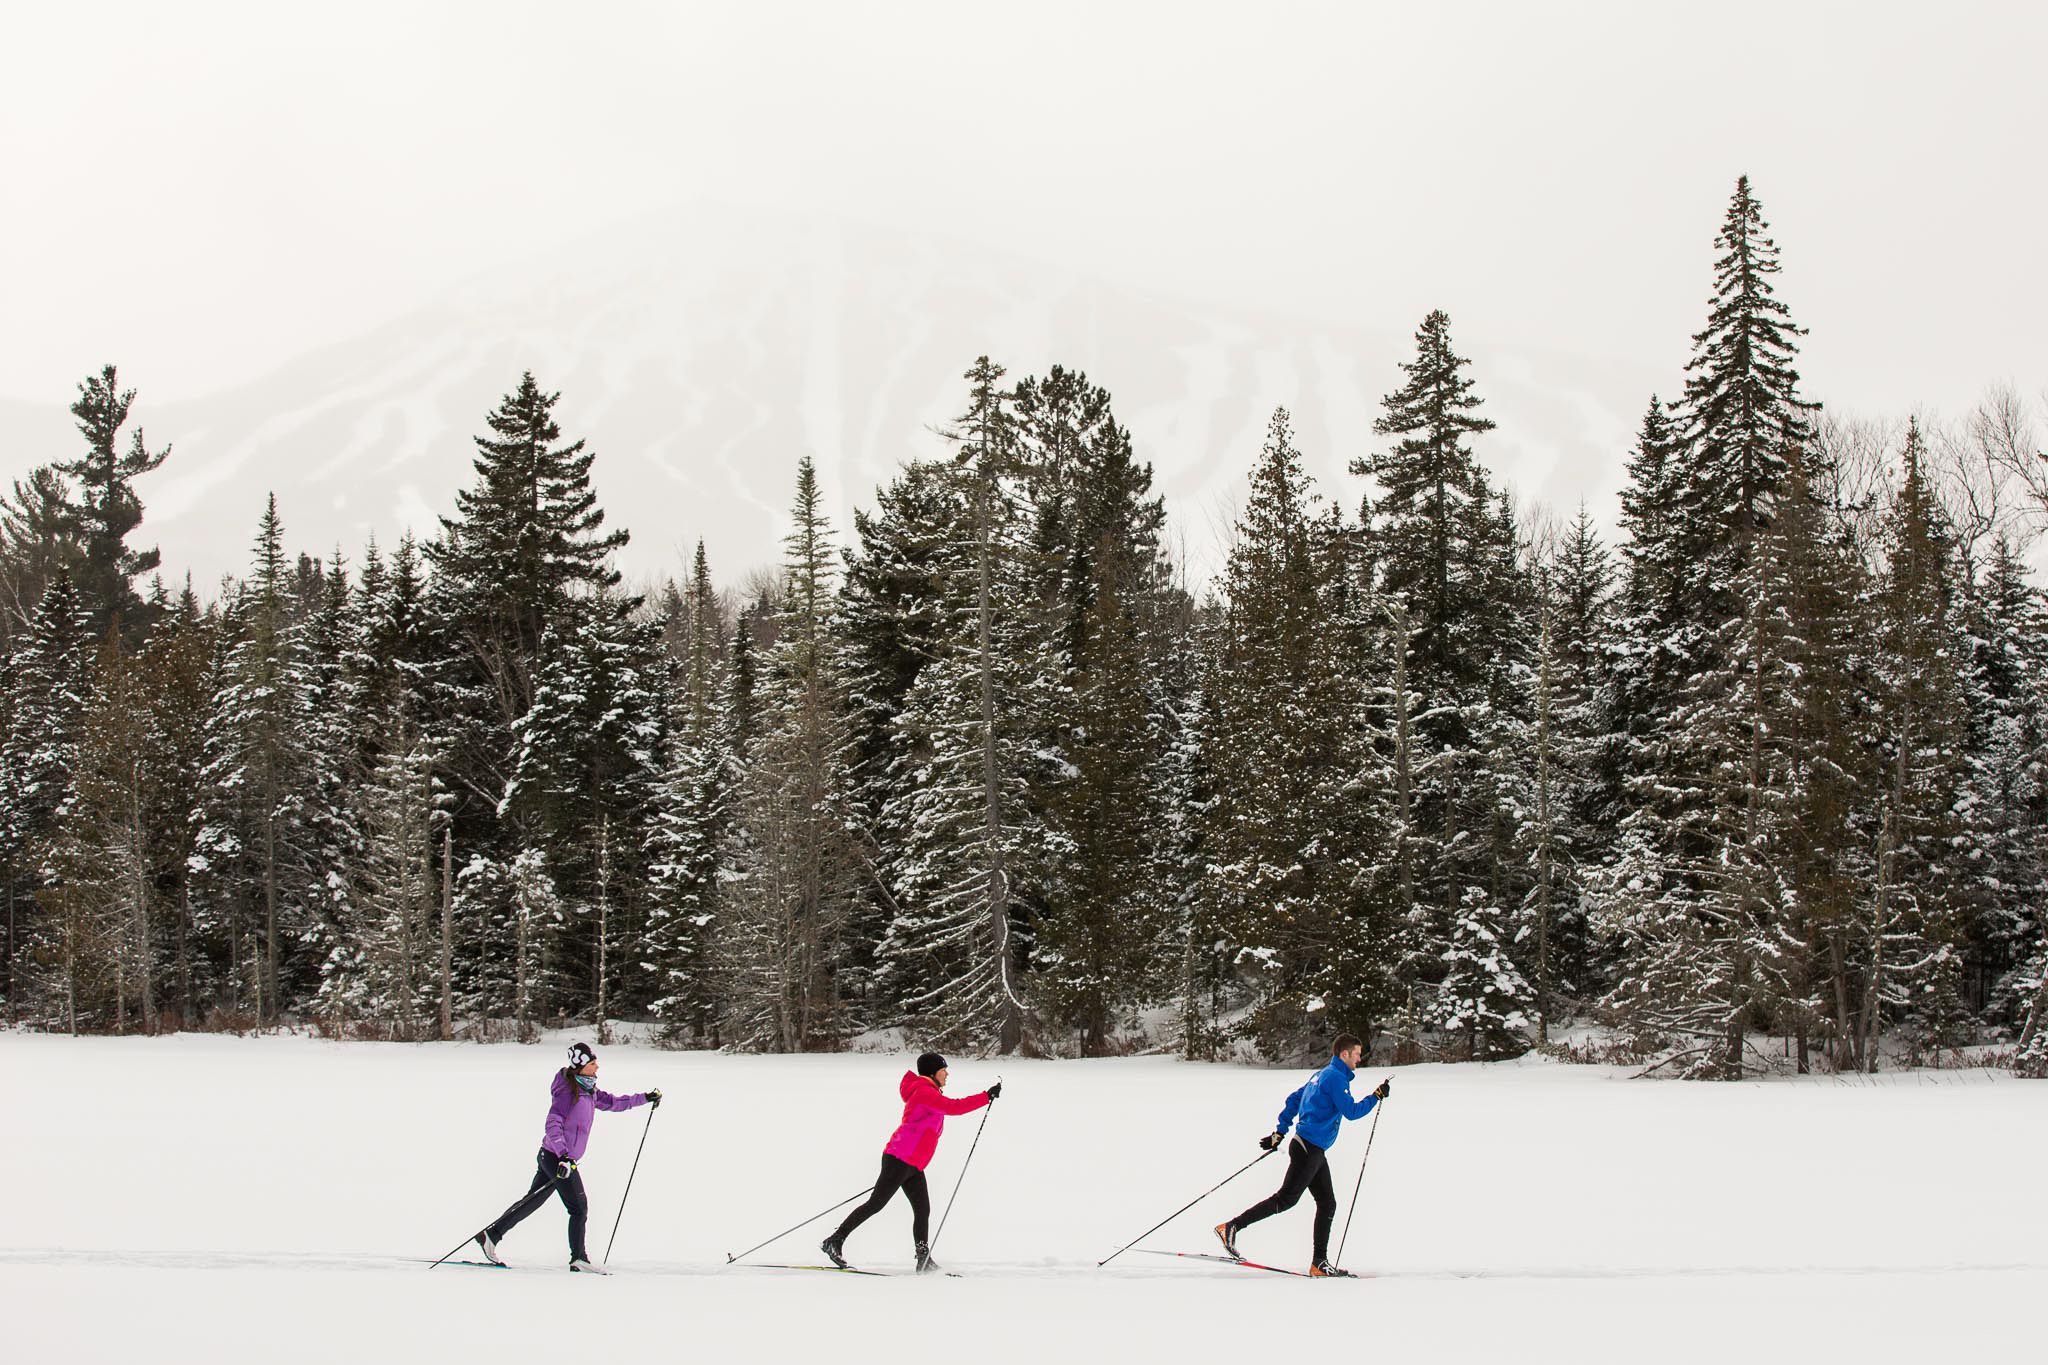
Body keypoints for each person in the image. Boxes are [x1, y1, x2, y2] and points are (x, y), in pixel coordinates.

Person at [475, 1041, 661, 1273]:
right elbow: (553, 1123)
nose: (597, 1067)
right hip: (557, 1158)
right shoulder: (567, 1092)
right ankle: (579, 1258)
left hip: (553, 1156)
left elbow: (614, 1102)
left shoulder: (588, 1090)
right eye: (593, 1064)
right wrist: (563, 1155)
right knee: (578, 1207)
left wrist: (645, 1097)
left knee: (533, 1200)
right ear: (580, 1066)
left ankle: (490, 1236)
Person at [1214, 1032, 1388, 1277]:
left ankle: (1319, 1263)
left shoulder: (1321, 1075)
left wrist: (1280, 1132)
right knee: (1286, 1199)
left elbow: (1294, 1099)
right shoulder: (1336, 1078)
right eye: (1357, 1054)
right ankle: (1231, 1227)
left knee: (1327, 1203)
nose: (1359, 1059)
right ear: (1345, 1054)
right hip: (1309, 1147)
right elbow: (1351, 1111)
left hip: (1310, 1147)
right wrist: (1375, 1097)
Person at [821, 1052, 1001, 1273]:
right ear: (932, 1072)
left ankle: (923, 1259)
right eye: (944, 1070)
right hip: (899, 1158)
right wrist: (985, 1096)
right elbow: (954, 1107)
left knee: (922, 1209)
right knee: (876, 1204)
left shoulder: (929, 1092)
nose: (947, 1074)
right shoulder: (925, 1093)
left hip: (913, 1164)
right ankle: (835, 1241)